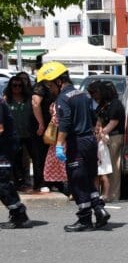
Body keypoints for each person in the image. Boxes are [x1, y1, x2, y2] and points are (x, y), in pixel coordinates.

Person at [37, 62, 110, 232]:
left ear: (58, 81)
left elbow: (65, 122)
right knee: (89, 178)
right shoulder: (83, 95)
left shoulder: (63, 97)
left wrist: (60, 145)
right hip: (89, 141)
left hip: (76, 142)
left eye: (49, 84)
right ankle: (99, 210)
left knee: (77, 181)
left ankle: (84, 219)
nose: (49, 89)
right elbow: (95, 118)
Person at [0, 93, 31, 229]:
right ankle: (19, 212)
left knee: (2, 184)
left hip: (4, 149)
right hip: (5, 147)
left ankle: (19, 215)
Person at [93, 81, 125, 202]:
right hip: (105, 137)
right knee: (104, 167)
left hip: (114, 137)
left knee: (112, 168)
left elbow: (113, 122)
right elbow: (99, 119)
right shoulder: (104, 104)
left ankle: (112, 195)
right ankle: (103, 194)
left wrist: (101, 133)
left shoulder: (115, 104)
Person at [4, 74, 33, 190]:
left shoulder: (28, 99)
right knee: (14, 159)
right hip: (12, 134)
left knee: (27, 159)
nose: (17, 88)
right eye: (14, 85)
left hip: (27, 133)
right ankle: (16, 181)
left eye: (20, 85)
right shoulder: (6, 99)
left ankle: (26, 180)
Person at [30, 71, 53, 192]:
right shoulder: (40, 87)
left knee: (49, 153)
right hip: (41, 125)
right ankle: (41, 182)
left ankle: (49, 180)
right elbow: (35, 103)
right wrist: (41, 123)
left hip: (50, 124)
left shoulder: (49, 87)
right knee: (40, 154)